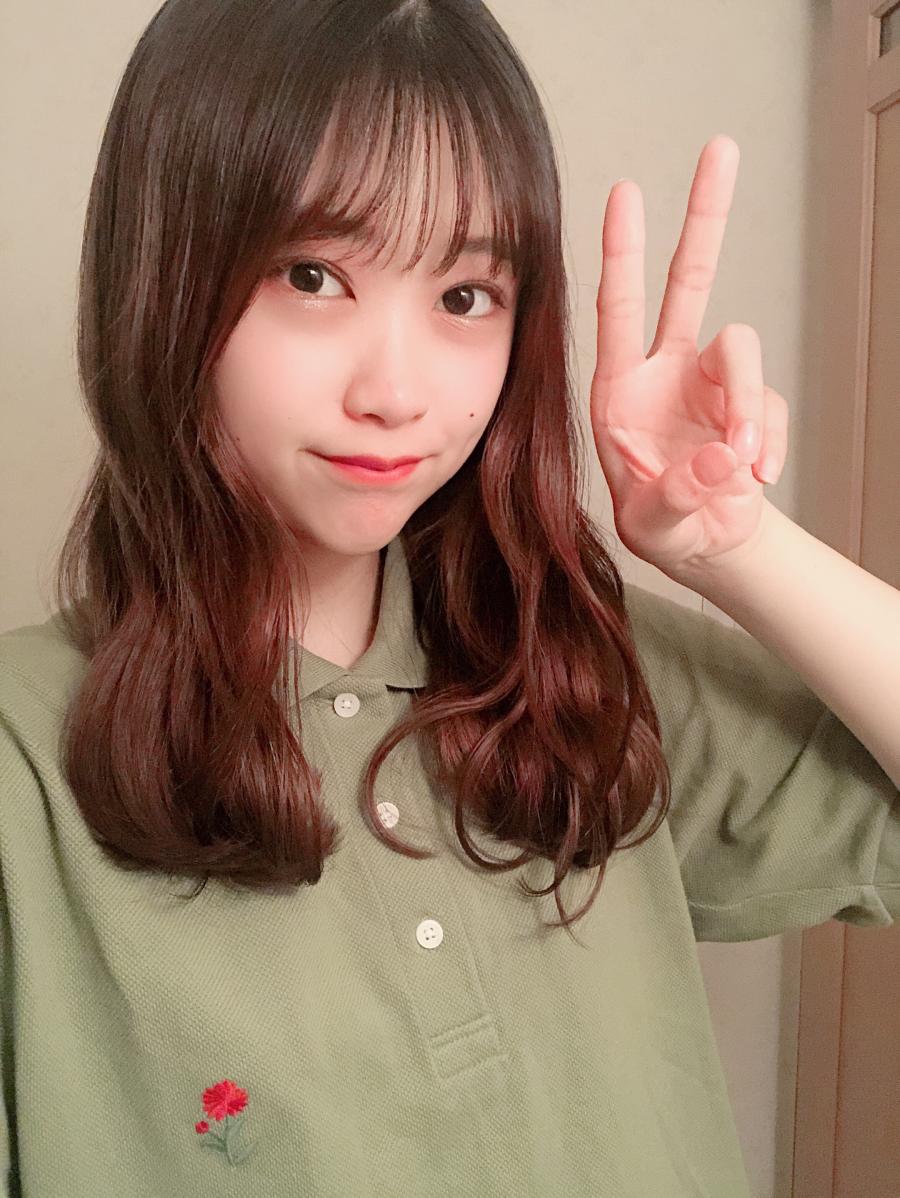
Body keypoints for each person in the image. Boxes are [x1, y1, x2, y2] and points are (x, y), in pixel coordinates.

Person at [1, 1, 897, 1195]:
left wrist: (735, 548)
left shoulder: (574, 667)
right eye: (313, 275)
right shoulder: (24, 761)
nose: (398, 390)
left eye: (466, 295)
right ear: (162, 275)